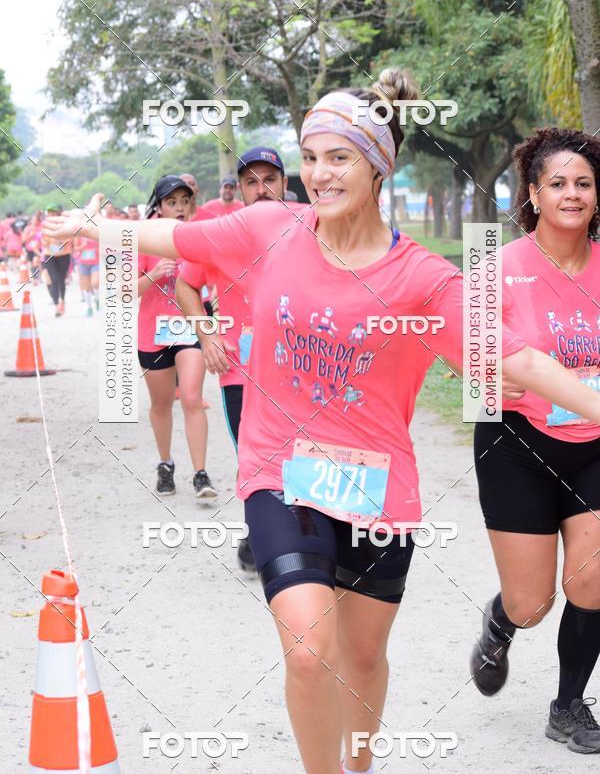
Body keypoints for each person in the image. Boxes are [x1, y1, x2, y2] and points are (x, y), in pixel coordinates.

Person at [43, 74, 600, 774]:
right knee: (309, 648)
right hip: (281, 472)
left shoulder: (424, 278)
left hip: (378, 489)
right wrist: (94, 225)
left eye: (338, 157)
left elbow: (511, 356)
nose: (318, 173)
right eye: (310, 156)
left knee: (363, 657)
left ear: (376, 165)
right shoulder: (270, 228)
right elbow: (177, 233)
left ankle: (360, 761)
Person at [471, 127, 600, 753]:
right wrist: (504, 379)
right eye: (558, 184)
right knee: (531, 604)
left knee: (594, 579)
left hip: (597, 445)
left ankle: (570, 704)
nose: (571, 194)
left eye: (583, 183)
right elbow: (466, 365)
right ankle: (501, 623)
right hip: (516, 445)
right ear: (534, 193)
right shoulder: (496, 266)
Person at [176, 147, 288, 572]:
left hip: (299, 369)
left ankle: (283, 534)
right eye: (250, 182)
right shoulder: (221, 234)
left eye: (270, 180)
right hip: (238, 368)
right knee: (253, 456)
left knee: (300, 454)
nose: (261, 190)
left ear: (284, 183)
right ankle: (261, 535)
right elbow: (187, 284)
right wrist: (205, 335)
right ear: (238, 190)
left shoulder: (310, 227)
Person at [137, 175, 216, 500]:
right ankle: (165, 464)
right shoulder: (143, 237)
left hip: (189, 328)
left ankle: (200, 473)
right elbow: (122, 291)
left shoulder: (199, 235)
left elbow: (214, 282)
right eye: (172, 202)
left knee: (192, 398)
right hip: (152, 333)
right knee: (161, 404)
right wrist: (153, 276)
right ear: (159, 206)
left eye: (185, 201)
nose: (180, 208)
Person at [41, 204, 72, 316]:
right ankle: (56, 306)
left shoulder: (65, 223)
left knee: (61, 279)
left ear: (58, 213)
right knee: (53, 279)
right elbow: (43, 238)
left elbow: (70, 237)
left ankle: (62, 301)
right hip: (50, 255)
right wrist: (46, 242)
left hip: (64, 254)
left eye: (54, 212)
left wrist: (61, 241)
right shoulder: (45, 224)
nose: (51, 214)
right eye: (49, 212)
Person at [74, 234, 100, 316]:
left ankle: (97, 299)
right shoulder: (79, 235)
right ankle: (89, 308)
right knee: (87, 288)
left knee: (95, 283)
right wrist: (82, 246)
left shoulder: (96, 232)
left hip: (96, 262)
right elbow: (75, 248)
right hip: (83, 263)